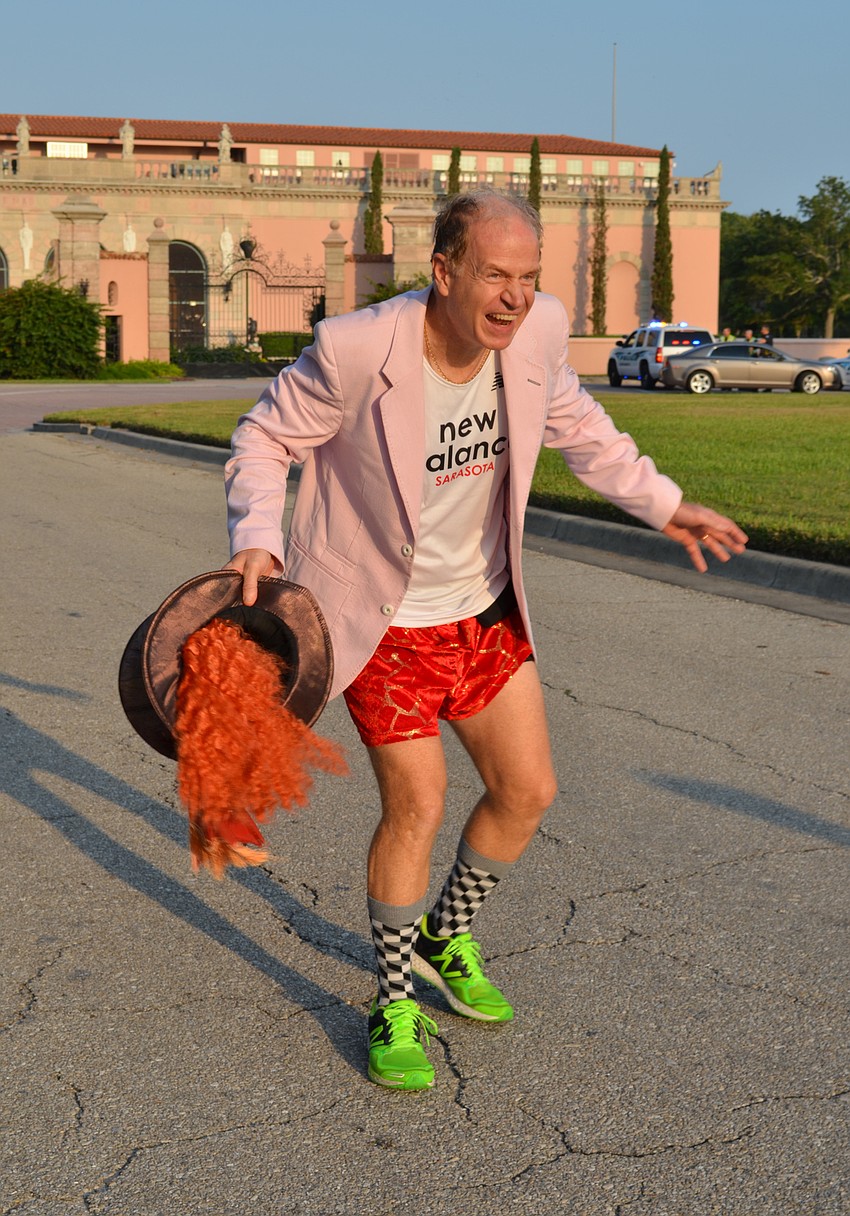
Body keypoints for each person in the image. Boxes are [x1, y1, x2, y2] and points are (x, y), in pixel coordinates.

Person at [224, 191, 748, 1091]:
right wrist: (257, 538)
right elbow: (266, 439)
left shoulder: (537, 334)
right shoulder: (361, 350)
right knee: (418, 805)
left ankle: (443, 935)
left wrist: (665, 505)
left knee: (527, 790)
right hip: (386, 624)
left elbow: (581, 427)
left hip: (485, 609)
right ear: (444, 272)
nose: (515, 297)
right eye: (496, 276)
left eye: (529, 279)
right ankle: (392, 997)